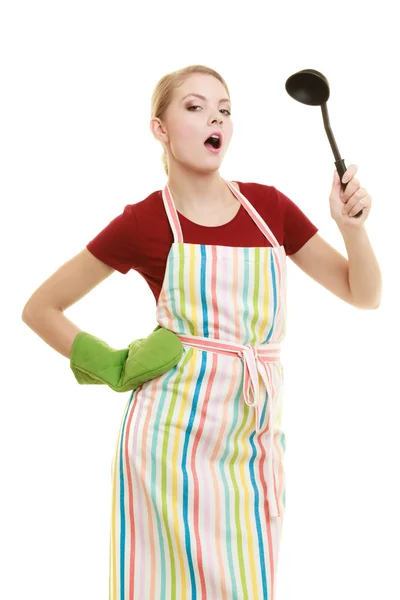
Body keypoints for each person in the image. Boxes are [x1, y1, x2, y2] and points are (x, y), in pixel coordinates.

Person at [22, 64, 380, 599]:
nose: (215, 117)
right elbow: (41, 307)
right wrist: (115, 366)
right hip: (167, 443)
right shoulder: (144, 221)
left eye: (225, 109)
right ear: (159, 129)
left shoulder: (269, 209)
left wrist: (352, 228)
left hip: (252, 443)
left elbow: (363, 294)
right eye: (194, 106)